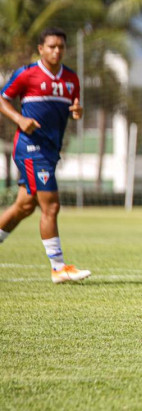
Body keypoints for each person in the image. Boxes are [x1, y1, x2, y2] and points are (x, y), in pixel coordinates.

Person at [0, 28, 90, 284]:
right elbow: (2, 99)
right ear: (41, 49)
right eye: (51, 46)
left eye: (61, 46)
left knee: (24, 206)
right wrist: (20, 118)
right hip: (30, 147)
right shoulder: (27, 74)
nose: (56, 50)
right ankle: (58, 268)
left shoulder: (71, 78)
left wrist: (77, 111)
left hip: (50, 150)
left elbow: (74, 107)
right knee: (51, 205)